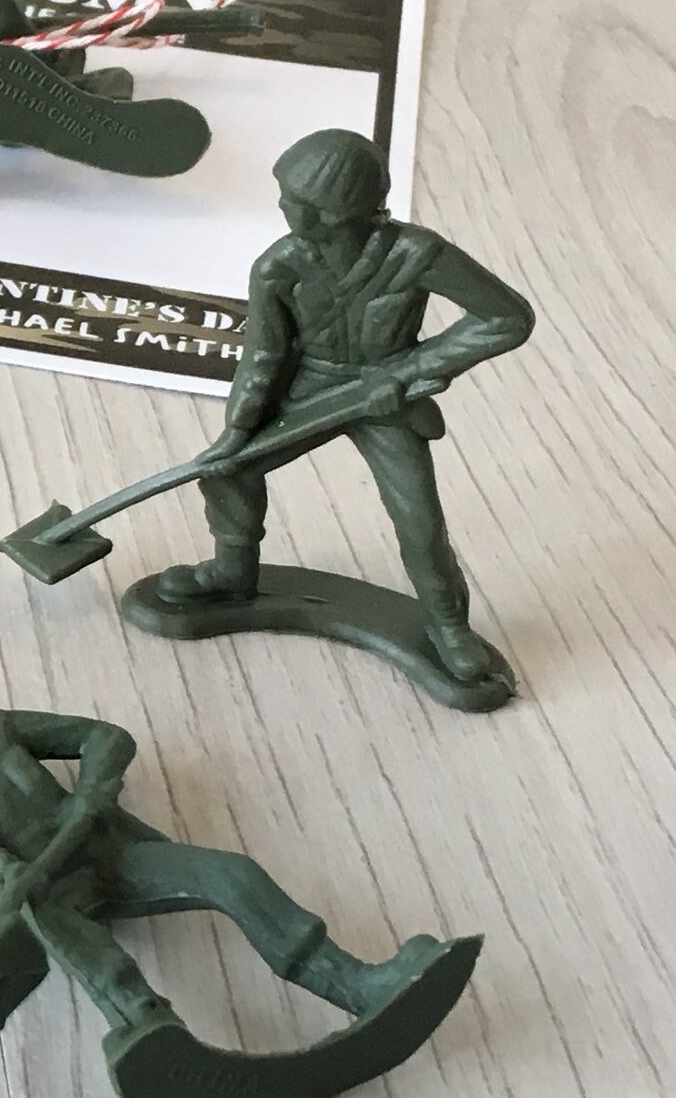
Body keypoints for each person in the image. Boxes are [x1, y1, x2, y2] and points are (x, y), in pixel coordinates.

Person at [0, 668, 471, 1098]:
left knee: (230, 874)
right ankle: (149, 1032)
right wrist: (14, 870)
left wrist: (90, 793)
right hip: (38, 884)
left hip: (106, 848)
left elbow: (105, 737)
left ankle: (355, 984)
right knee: (78, 942)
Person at [155, 129, 533, 685]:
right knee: (229, 471)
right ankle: (232, 574)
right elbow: (263, 354)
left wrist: (408, 371)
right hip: (311, 389)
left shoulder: (415, 254)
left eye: (293, 199)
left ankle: (448, 625)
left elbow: (506, 318)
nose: (282, 206)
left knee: (420, 521)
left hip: (387, 400)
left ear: (332, 213)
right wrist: (237, 431)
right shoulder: (278, 268)